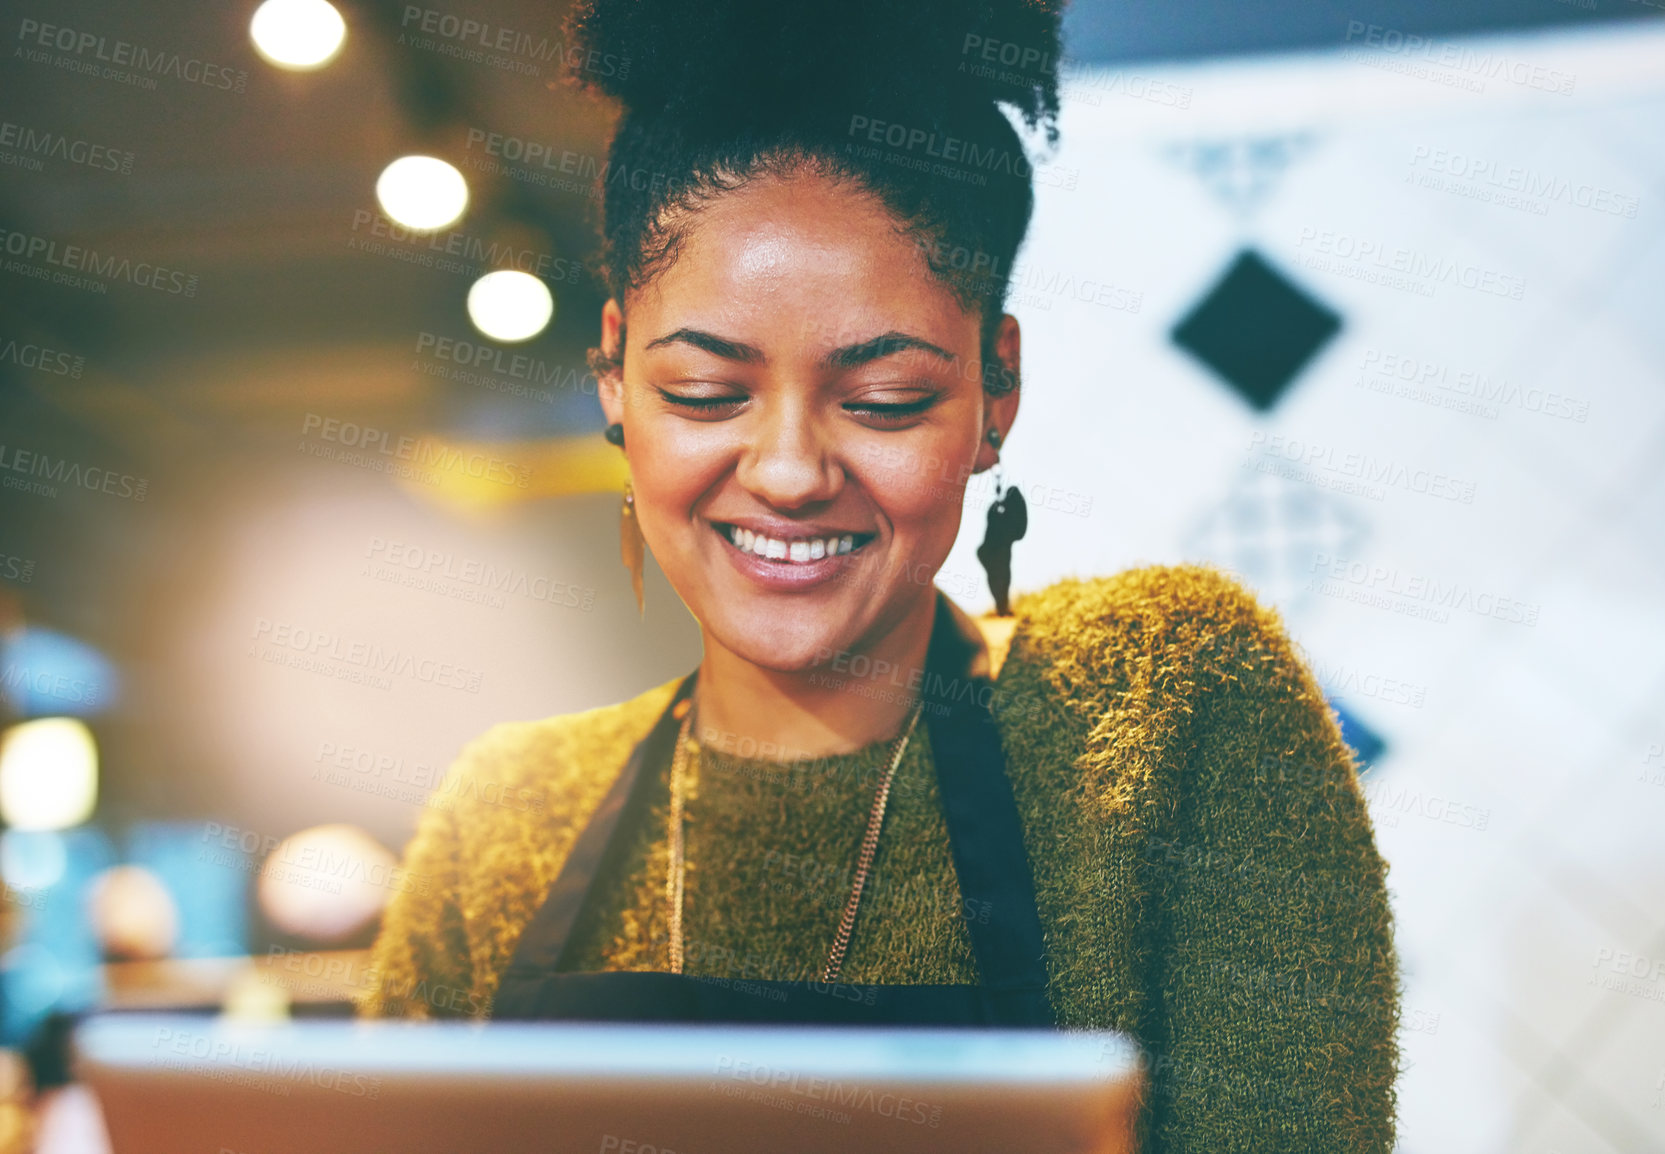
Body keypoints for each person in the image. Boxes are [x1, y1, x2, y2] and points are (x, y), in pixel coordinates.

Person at [360, 0, 1402, 1148]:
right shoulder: (503, 812)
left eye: (884, 399)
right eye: (706, 393)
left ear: (993, 391)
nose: (792, 471)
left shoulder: (1166, 706)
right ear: (612, 374)